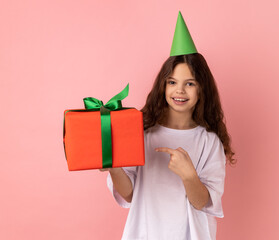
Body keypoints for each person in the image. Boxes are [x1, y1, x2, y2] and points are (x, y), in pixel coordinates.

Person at [100, 11, 235, 240]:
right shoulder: (143, 135)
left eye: (189, 83)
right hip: (145, 233)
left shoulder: (208, 141)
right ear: (163, 86)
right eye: (172, 82)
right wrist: (112, 165)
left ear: (202, 89)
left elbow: (203, 201)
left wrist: (189, 175)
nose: (179, 90)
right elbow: (130, 194)